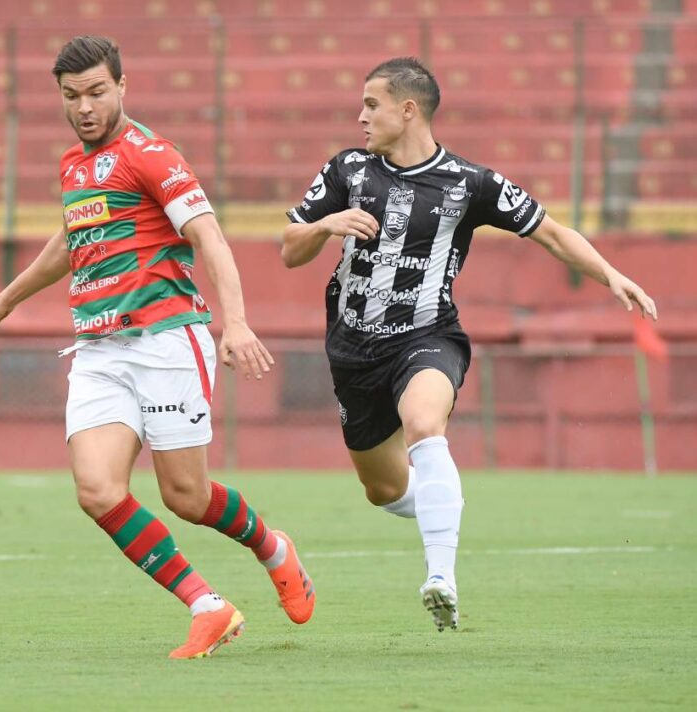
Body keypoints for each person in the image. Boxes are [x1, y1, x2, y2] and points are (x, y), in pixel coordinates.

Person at [281, 57, 657, 632]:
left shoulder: (469, 183)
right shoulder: (347, 170)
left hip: (429, 335)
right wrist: (324, 227)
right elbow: (289, 250)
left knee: (426, 425)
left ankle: (441, 577)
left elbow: (553, 233)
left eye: (371, 105)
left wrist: (613, 275)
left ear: (408, 110)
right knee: (380, 489)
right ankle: (442, 502)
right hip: (352, 349)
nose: (361, 116)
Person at [0, 36, 315, 659]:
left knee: (185, 496)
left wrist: (234, 323)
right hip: (99, 350)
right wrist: (5, 302)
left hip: (165, 340)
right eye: (71, 96)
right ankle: (208, 606)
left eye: (97, 92)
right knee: (97, 490)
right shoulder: (73, 166)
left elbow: (210, 237)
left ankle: (274, 548)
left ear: (123, 87)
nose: (84, 107)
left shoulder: (152, 155)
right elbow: (70, 241)